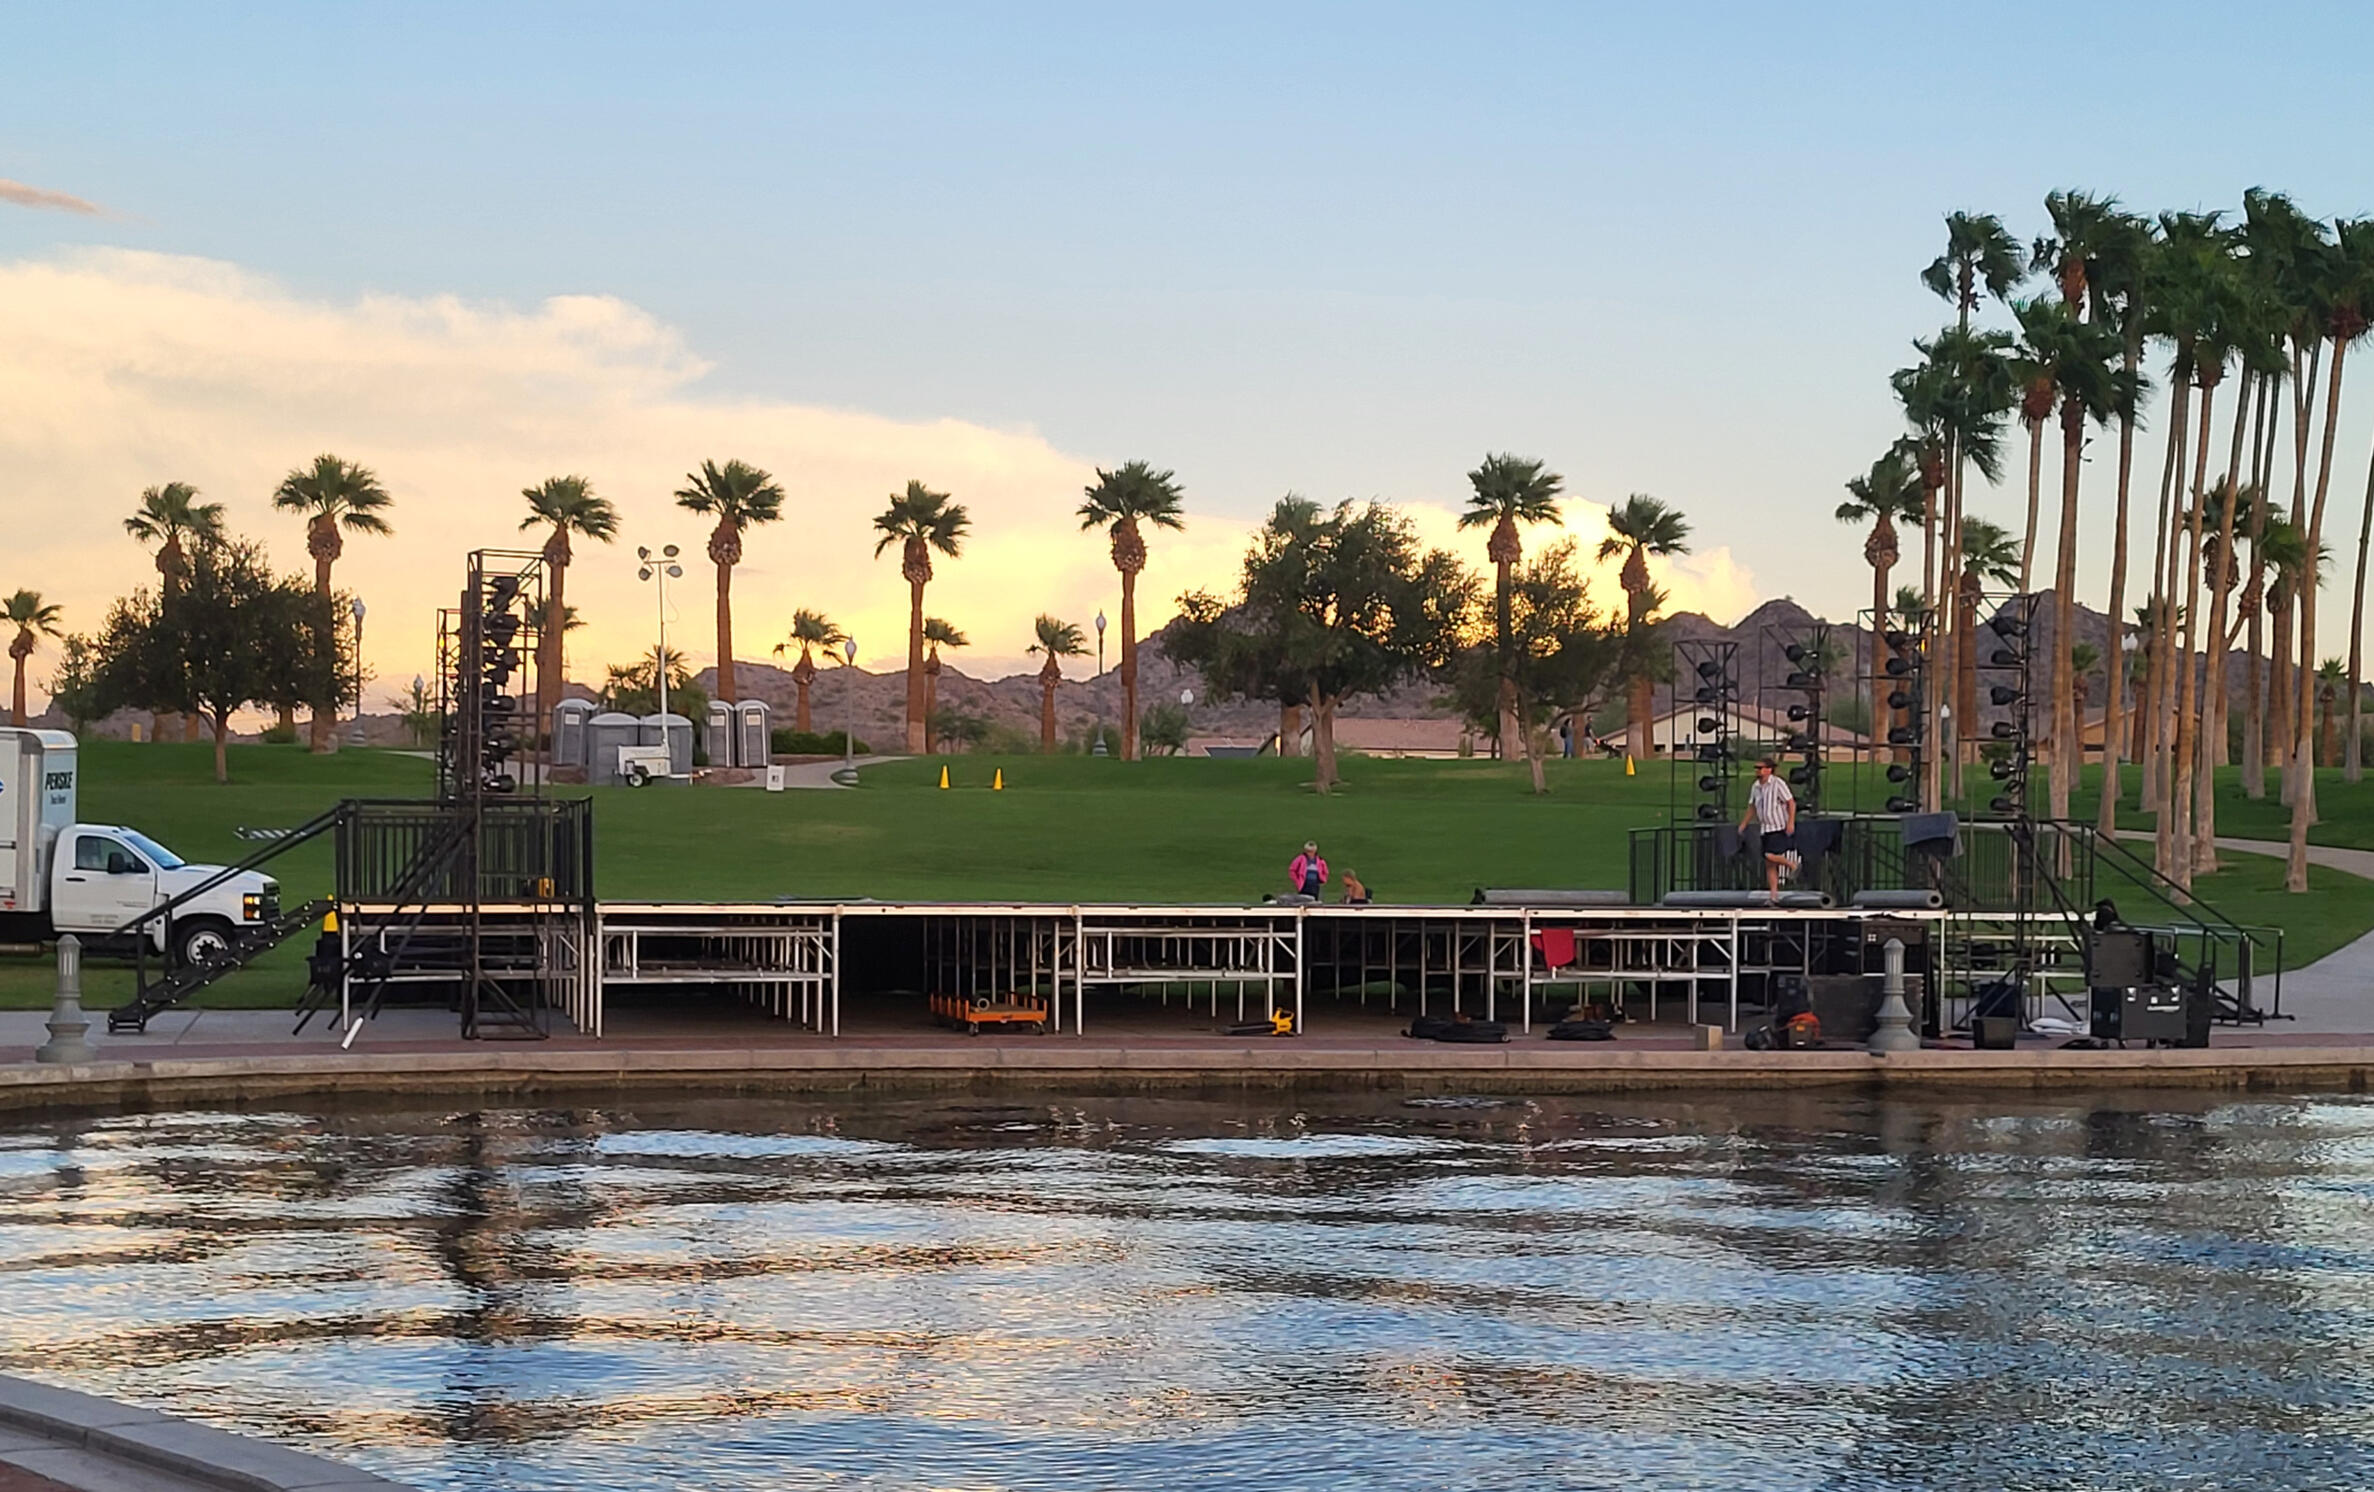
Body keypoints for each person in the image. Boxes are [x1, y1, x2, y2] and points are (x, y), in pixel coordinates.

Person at [1737, 757, 1797, 904]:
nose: (1758, 771)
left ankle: (1792, 865)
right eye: (1757, 768)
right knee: (1769, 864)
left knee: (1770, 855)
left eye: (1761, 768)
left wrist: (1790, 822)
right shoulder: (1756, 786)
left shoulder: (1777, 783)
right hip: (1765, 827)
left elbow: (1790, 802)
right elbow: (1752, 806)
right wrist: (1744, 823)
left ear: (1769, 769)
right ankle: (1773, 895)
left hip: (1777, 825)